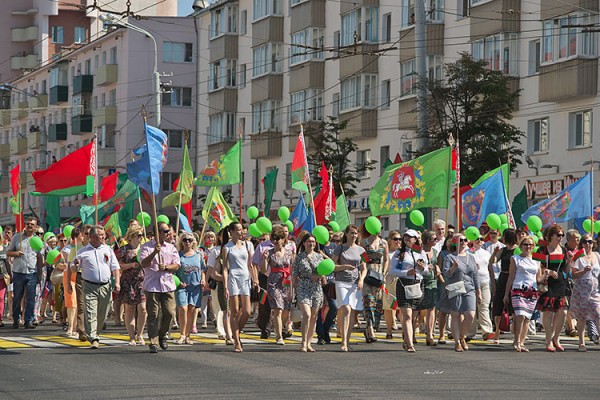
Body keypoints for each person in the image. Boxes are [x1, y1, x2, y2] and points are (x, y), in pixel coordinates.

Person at [73, 225, 121, 349]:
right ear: (92, 237)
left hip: (105, 286)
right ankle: (93, 337)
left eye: (103, 234)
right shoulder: (82, 251)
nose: (104, 236)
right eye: (101, 235)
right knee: (90, 312)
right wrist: (76, 264)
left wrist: (117, 282)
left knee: (103, 314)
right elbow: (74, 268)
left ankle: (96, 332)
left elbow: (115, 267)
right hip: (89, 286)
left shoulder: (108, 250)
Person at [139, 222, 181, 353]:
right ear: (157, 232)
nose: (168, 233)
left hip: (167, 284)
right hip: (152, 286)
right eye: (165, 231)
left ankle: (162, 335)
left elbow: (177, 264)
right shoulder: (146, 247)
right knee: (153, 314)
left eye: (168, 230)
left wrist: (167, 267)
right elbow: (143, 263)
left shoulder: (171, 247)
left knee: (169, 312)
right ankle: (153, 341)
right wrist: (153, 253)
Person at [439, 233, 481, 352]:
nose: (463, 242)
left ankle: (462, 336)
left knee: (470, 315)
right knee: (455, 315)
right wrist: (453, 267)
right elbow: (445, 274)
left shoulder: (471, 257)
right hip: (455, 287)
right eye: (460, 240)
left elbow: (475, 275)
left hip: (469, 288)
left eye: (464, 240)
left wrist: (478, 292)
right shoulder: (449, 257)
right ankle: (457, 341)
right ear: (454, 242)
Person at [389, 229, 429, 352]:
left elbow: (427, 271)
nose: (407, 239)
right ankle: (410, 343)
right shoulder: (398, 253)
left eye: (410, 237)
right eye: (405, 236)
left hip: (417, 284)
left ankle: (407, 339)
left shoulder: (420, 252)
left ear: (415, 239)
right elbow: (391, 270)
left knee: (414, 316)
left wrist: (423, 268)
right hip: (403, 284)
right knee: (407, 314)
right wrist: (406, 272)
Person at [222, 222, 257, 353]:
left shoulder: (248, 245)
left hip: (245, 278)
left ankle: (236, 331)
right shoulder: (227, 247)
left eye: (242, 229)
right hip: (233, 278)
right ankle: (237, 341)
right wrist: (225, 286)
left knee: (247, 311)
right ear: (231, 232)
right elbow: (225, 268)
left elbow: (251, 264)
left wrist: (255, 279)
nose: (241, 232)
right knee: (235, 310)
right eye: (238, 230)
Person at [503, 236, 542, 352]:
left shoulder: (537, 261)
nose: (528, 247)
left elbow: (538, 278)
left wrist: (547, 274)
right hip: (518, 289)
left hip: (532, 291)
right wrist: (506, 294)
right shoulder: (515, 259)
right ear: (520, 246)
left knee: (527, 318)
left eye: (530, 244)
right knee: (520, 315)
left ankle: (522, 342)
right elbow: (511, 277)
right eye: (525, 244)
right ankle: (517, 341)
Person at [536, 224, 570, 352]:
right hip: (547, 283)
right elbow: (537, 266)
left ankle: (557, 338)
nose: (561, 237)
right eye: (558, 235)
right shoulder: (542, 250)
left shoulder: (564, 250)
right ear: (551, 236)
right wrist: (548, 271)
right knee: (548, 312)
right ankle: (548, 340)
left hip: (560, 282)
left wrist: (570, 261)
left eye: (562, 235)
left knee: (563, 312)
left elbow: (565, 269)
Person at [332, 225, 366, 352]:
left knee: (352, 312)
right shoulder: (339, 248)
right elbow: (332, 266)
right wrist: (344, 266)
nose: (353, 235)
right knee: (345, 308)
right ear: (346, 234)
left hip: (355, 284)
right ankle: (343, 342)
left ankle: (347, 340)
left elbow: (364, 268)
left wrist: (361, 279)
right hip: (341, 282)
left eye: (356, 233)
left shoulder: (361, 250)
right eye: (351, 233)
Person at [6, 217, 43, 329]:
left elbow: (39, 257)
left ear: (35, 226)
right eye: (27, 224)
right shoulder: (17, 237)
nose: (29, 226)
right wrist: (16, 253)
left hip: (32, 272)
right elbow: (8, 252)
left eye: (32, 224)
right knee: (17, 297)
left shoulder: (37, 240)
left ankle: (28, 320)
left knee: (31, 297)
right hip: (19, 272)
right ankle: (16, 319)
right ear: (24, 225)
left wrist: (40, 273)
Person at [292, 234, 324, 352]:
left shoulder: (319, 257)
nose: (311, 244)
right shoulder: (299, 257)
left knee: (314, 317)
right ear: (304, 243)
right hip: (303, 286)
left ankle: (309, 342)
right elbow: (294, 274)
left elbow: (325, 273)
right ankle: (303, 342)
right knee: (306, 314)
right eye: (309, 241)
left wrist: (319, 276)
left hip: (316, 288)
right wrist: (293, 289)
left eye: (313, 242)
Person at [261, 225, 292, 345]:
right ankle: (279, 336)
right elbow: (263, 270)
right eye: (273, 238)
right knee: (278, 309)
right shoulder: (269, 252)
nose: (275, 241)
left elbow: (292, 268)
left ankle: (279, 326)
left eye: (278, 238)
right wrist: (264, 259)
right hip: (274, 282)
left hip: (286, 282)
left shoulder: (289, 252)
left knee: (286, 310)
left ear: (283, 239)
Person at [116, 227, 147, 346]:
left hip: (142, 280)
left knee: (143, 308)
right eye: (138, 235)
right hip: (128, 281)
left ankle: (140, 334)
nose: (141, 237)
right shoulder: (124, 249)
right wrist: (131, 265)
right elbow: (119, 265)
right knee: (129, 309)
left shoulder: (144, 249)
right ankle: (131, 337)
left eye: (141, 235)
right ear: (132, 236)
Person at [569, 234, 600, 351]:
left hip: (595, 289)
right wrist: (584, 271)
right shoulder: (579, 256)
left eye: (590, 242)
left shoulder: (596, 255)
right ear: (582, 243)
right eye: (586, 242)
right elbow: (574, 275)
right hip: (582, 288)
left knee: (598, 314)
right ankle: (581, 342)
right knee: (582, 316)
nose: (588, 244)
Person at [174, 232, 205, 345]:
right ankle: (182, 334)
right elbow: (173, 271)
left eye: (190, 240)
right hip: (182, 286)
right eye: (185, 240)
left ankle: (188, 335)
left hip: (195, 286)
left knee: (192, 310)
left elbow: (202, 269)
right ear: (181, 242)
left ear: (193, 242)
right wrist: (178, 281)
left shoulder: (198, 255)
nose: (187, 242)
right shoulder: (178, 255)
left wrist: (203, 279)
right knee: (183, 309)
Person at [360, 226, 389, 343]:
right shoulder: (364, 242)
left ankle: (369, 328)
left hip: (379, 275)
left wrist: (384, 273)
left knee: (377, 304)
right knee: (368, 301)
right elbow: (362, 258)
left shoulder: (384, 243)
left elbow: (386, 259)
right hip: (368, 273)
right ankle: (370, 328)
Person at [489, 228, 518, 344]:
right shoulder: (503, 250)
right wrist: (494, 253)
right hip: (503, 277)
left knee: (514, 307)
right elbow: (492, 261)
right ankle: (497, 331)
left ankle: (516, 332)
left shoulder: (518, 250)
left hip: (515, 279)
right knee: (498, 305)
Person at [206, 229, 233, 344]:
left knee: (230, 309)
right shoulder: (216, 251)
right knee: (219, 308)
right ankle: (221, 331)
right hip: (218, 283)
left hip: (233, 283)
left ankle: (229, 330)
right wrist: (206, 280)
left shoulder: (233, 249)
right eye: (223, 235)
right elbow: (211, 268)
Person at [468, 234, 494, 341]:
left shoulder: (486, 253)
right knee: (472, 308)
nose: (479, 241)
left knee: (484, 306)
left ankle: (486, 331)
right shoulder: (468, 252)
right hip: (472, 282)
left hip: (485, 282)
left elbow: (490, 267)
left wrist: (493, 282)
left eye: (481, 239)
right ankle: (469, 332)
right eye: (476, 239)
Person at [316, 225, 338, 345]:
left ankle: (326, 329)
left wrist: (324, 256)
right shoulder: (318, 247)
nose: (329, 235)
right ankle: (320, 334)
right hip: (320, 282)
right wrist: (322, 276)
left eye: (330, 232)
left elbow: (334, 263)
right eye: (327, 232)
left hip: (332, 282)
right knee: (318, 308)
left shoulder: (335, 247)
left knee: (334, 307)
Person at [417, 230, 440, 346]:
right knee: (417, 309)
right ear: (427, 241)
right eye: (434, 239)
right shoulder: (419, 252)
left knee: (432, 308)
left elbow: (437, 263)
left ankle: (429, 334)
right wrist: (424, 267)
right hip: (420, 282)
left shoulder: (435, 252)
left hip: (432, 281)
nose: (436, 241)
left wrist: (437, 268)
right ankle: (411, 333)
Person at [252, 232, 274, 339]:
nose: (262, 240)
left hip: (278, 278)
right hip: (264, 278)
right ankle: (265, 327)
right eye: (261, 239)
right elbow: (254, 264)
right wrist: (255, 279)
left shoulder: (282, 247)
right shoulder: (261, 247)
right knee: (264, 303)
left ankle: (279, 326)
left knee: (278, 303)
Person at [62, 229, 82, 338]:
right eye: (81, 235)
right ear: (76, 237)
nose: (83, 237)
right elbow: (59, 262)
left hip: (79, 274)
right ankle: (70, 327)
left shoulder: (84, 247)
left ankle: (76, 327)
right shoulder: (67, 248)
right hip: (69, 275)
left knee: (78, 302)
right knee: (71, 301)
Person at [383, 230, 402, 338]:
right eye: (395, 239)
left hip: (400, 280)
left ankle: (405, 330)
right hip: (389, 280)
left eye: (399, 239)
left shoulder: (402, 253)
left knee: (402, 307)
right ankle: (389, 330)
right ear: (390, 240)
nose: (398, 241)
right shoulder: (387, 253)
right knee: (388, 307)